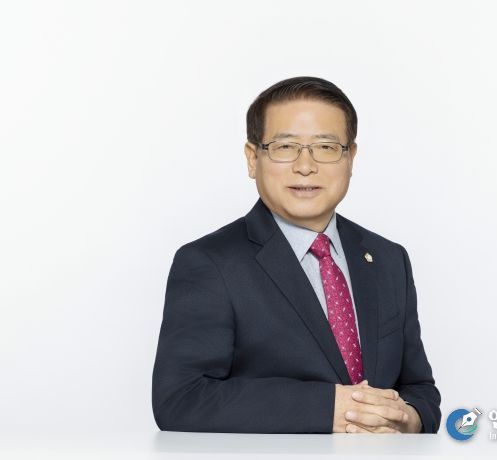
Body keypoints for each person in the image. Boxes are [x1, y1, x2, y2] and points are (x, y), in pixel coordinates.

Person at [151, 76, 441, 434]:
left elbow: (419, 390)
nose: (306, 166)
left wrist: (406, 418)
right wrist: (330, 408)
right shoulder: (209, 263)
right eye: (285, 147)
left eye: (326, 147)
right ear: (252, 159)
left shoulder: (387, 259)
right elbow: (181, 399)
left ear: (350, 158)